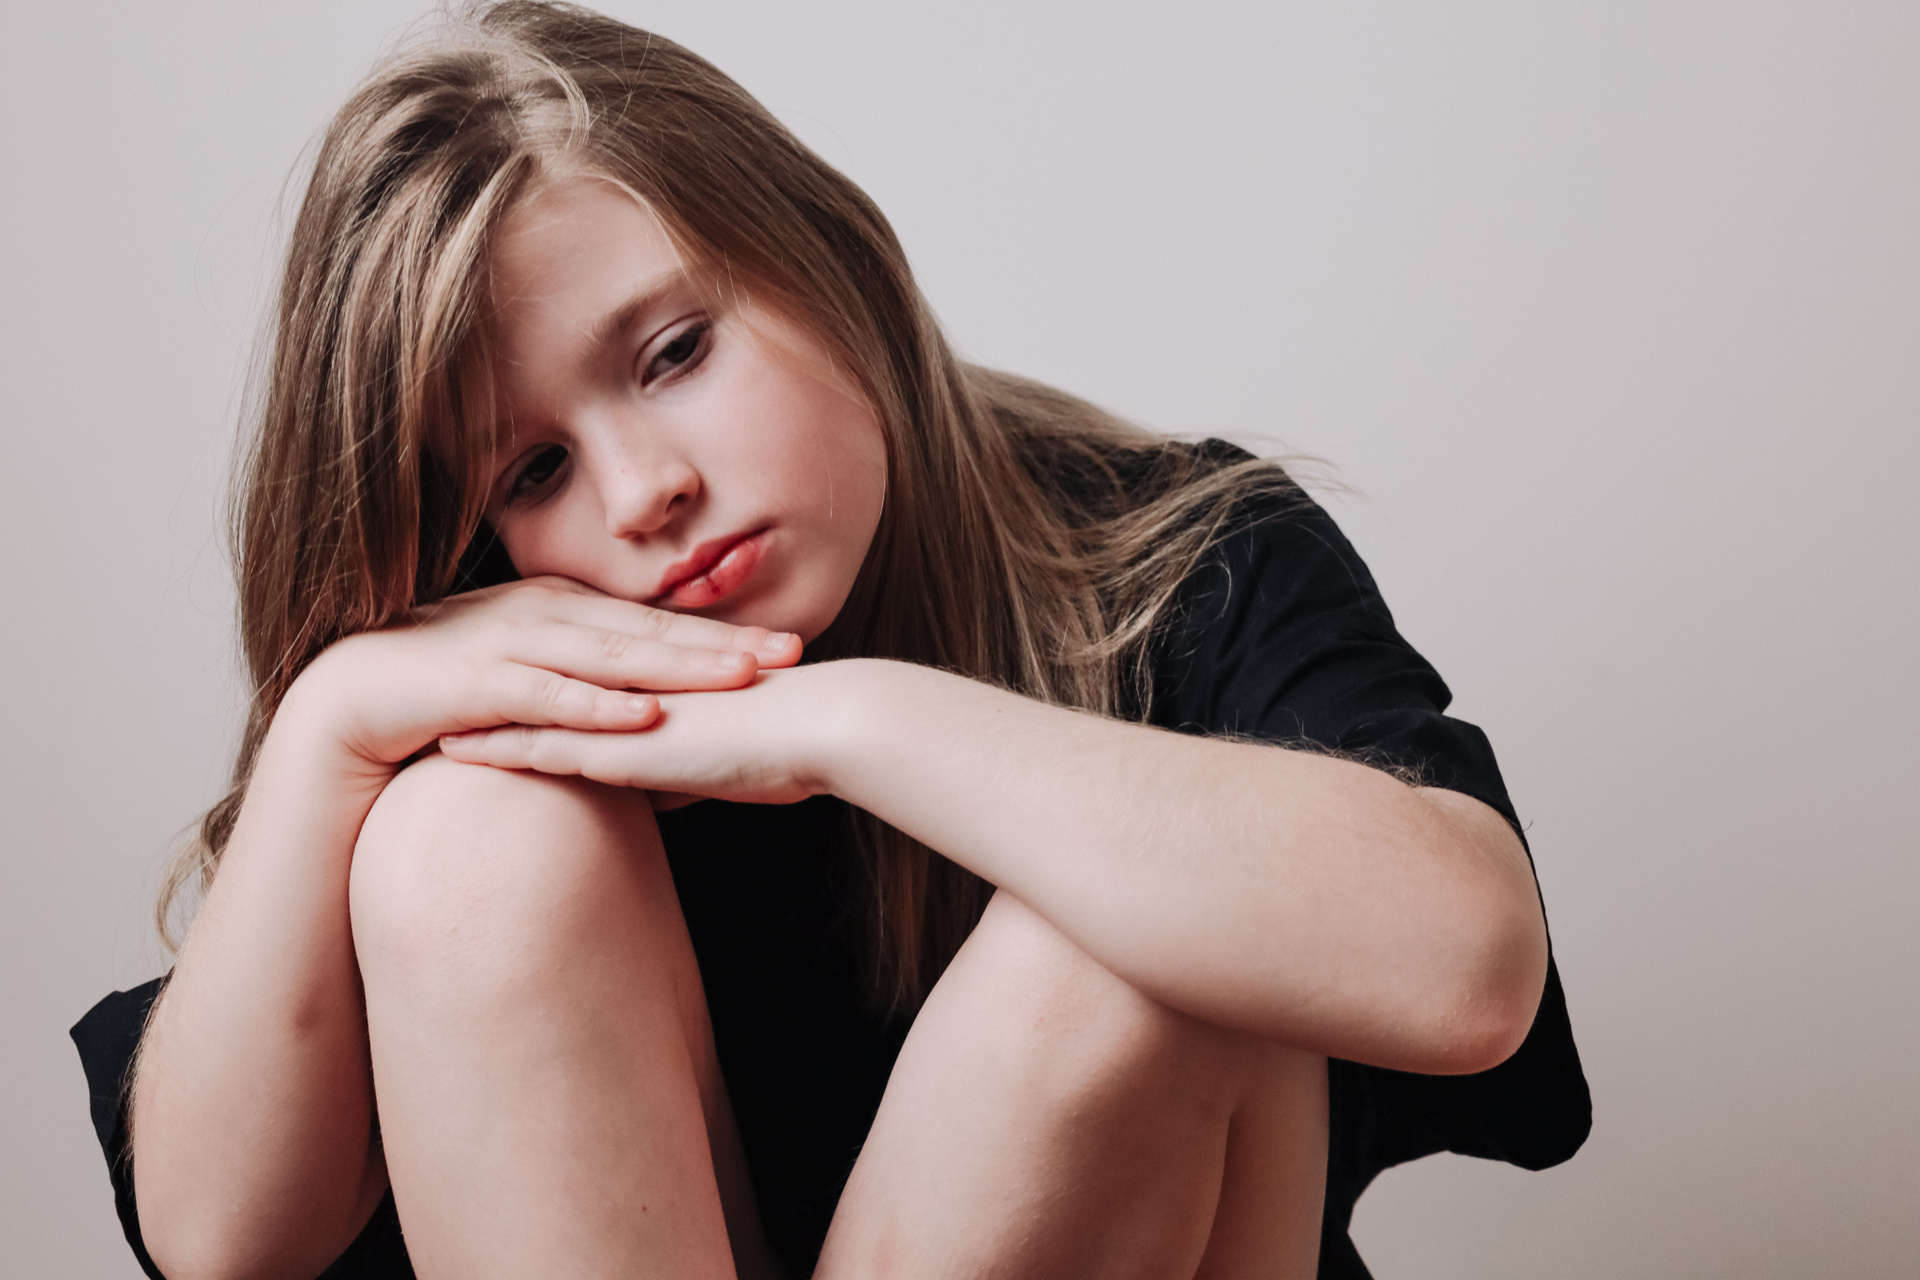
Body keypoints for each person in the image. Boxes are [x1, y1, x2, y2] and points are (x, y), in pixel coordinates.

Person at [70, 3, 1589, 1277]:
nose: (644, 492)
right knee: (461, 837)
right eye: (532, 472)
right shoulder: (497, 714)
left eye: (675, 352)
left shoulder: (1170, 549)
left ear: (828, 258)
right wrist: (331, 726)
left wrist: (838, 723)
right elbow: (219, 1241)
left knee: (1129, 930)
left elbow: (1466, 970)